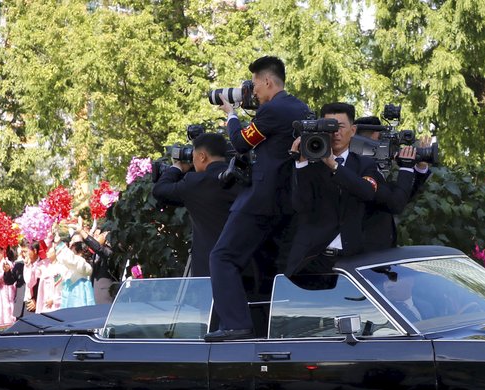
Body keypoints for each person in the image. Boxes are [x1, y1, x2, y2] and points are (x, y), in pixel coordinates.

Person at [207, 56, 310, 341]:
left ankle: (236, 324)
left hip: (260, 200)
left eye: (254, 84)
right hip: (288, 202)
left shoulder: (273, 111)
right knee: (266, 266)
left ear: (267, 81)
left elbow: (240, 142)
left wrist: (230, 114)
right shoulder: (300, 107)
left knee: (222, 257)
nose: (253, 91)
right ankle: (269, 326)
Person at [286, 102, 380, 275]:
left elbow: (367, 192)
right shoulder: (310, 162)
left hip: (351, 258)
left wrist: (333, 164)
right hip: (312, 258)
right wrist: (301, 164)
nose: (335, 132)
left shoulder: (365, 164)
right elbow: (301, 205)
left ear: (353, 130)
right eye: (329, 127)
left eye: (340, 127)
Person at [152, 132, 240, 277]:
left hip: (209, 269)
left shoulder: (194, 183)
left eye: (193, 158)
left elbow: (160, 191)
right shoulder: (241, 177)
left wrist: (177, 168)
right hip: (245, 263)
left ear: (202, 156)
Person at [360, 136, 433, 252]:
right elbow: (396, 203)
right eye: (381, 142)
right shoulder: (363, 172)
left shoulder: (378, 170)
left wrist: (420, 167)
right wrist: (406, 167)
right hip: (365, 252)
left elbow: (403, 195)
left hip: (381, 251)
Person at [55, 237, 95, 309]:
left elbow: (71, 260)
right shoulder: (75, 264)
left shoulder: (83, 264)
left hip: (79, 295)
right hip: (69, 295)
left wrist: (59, 243)